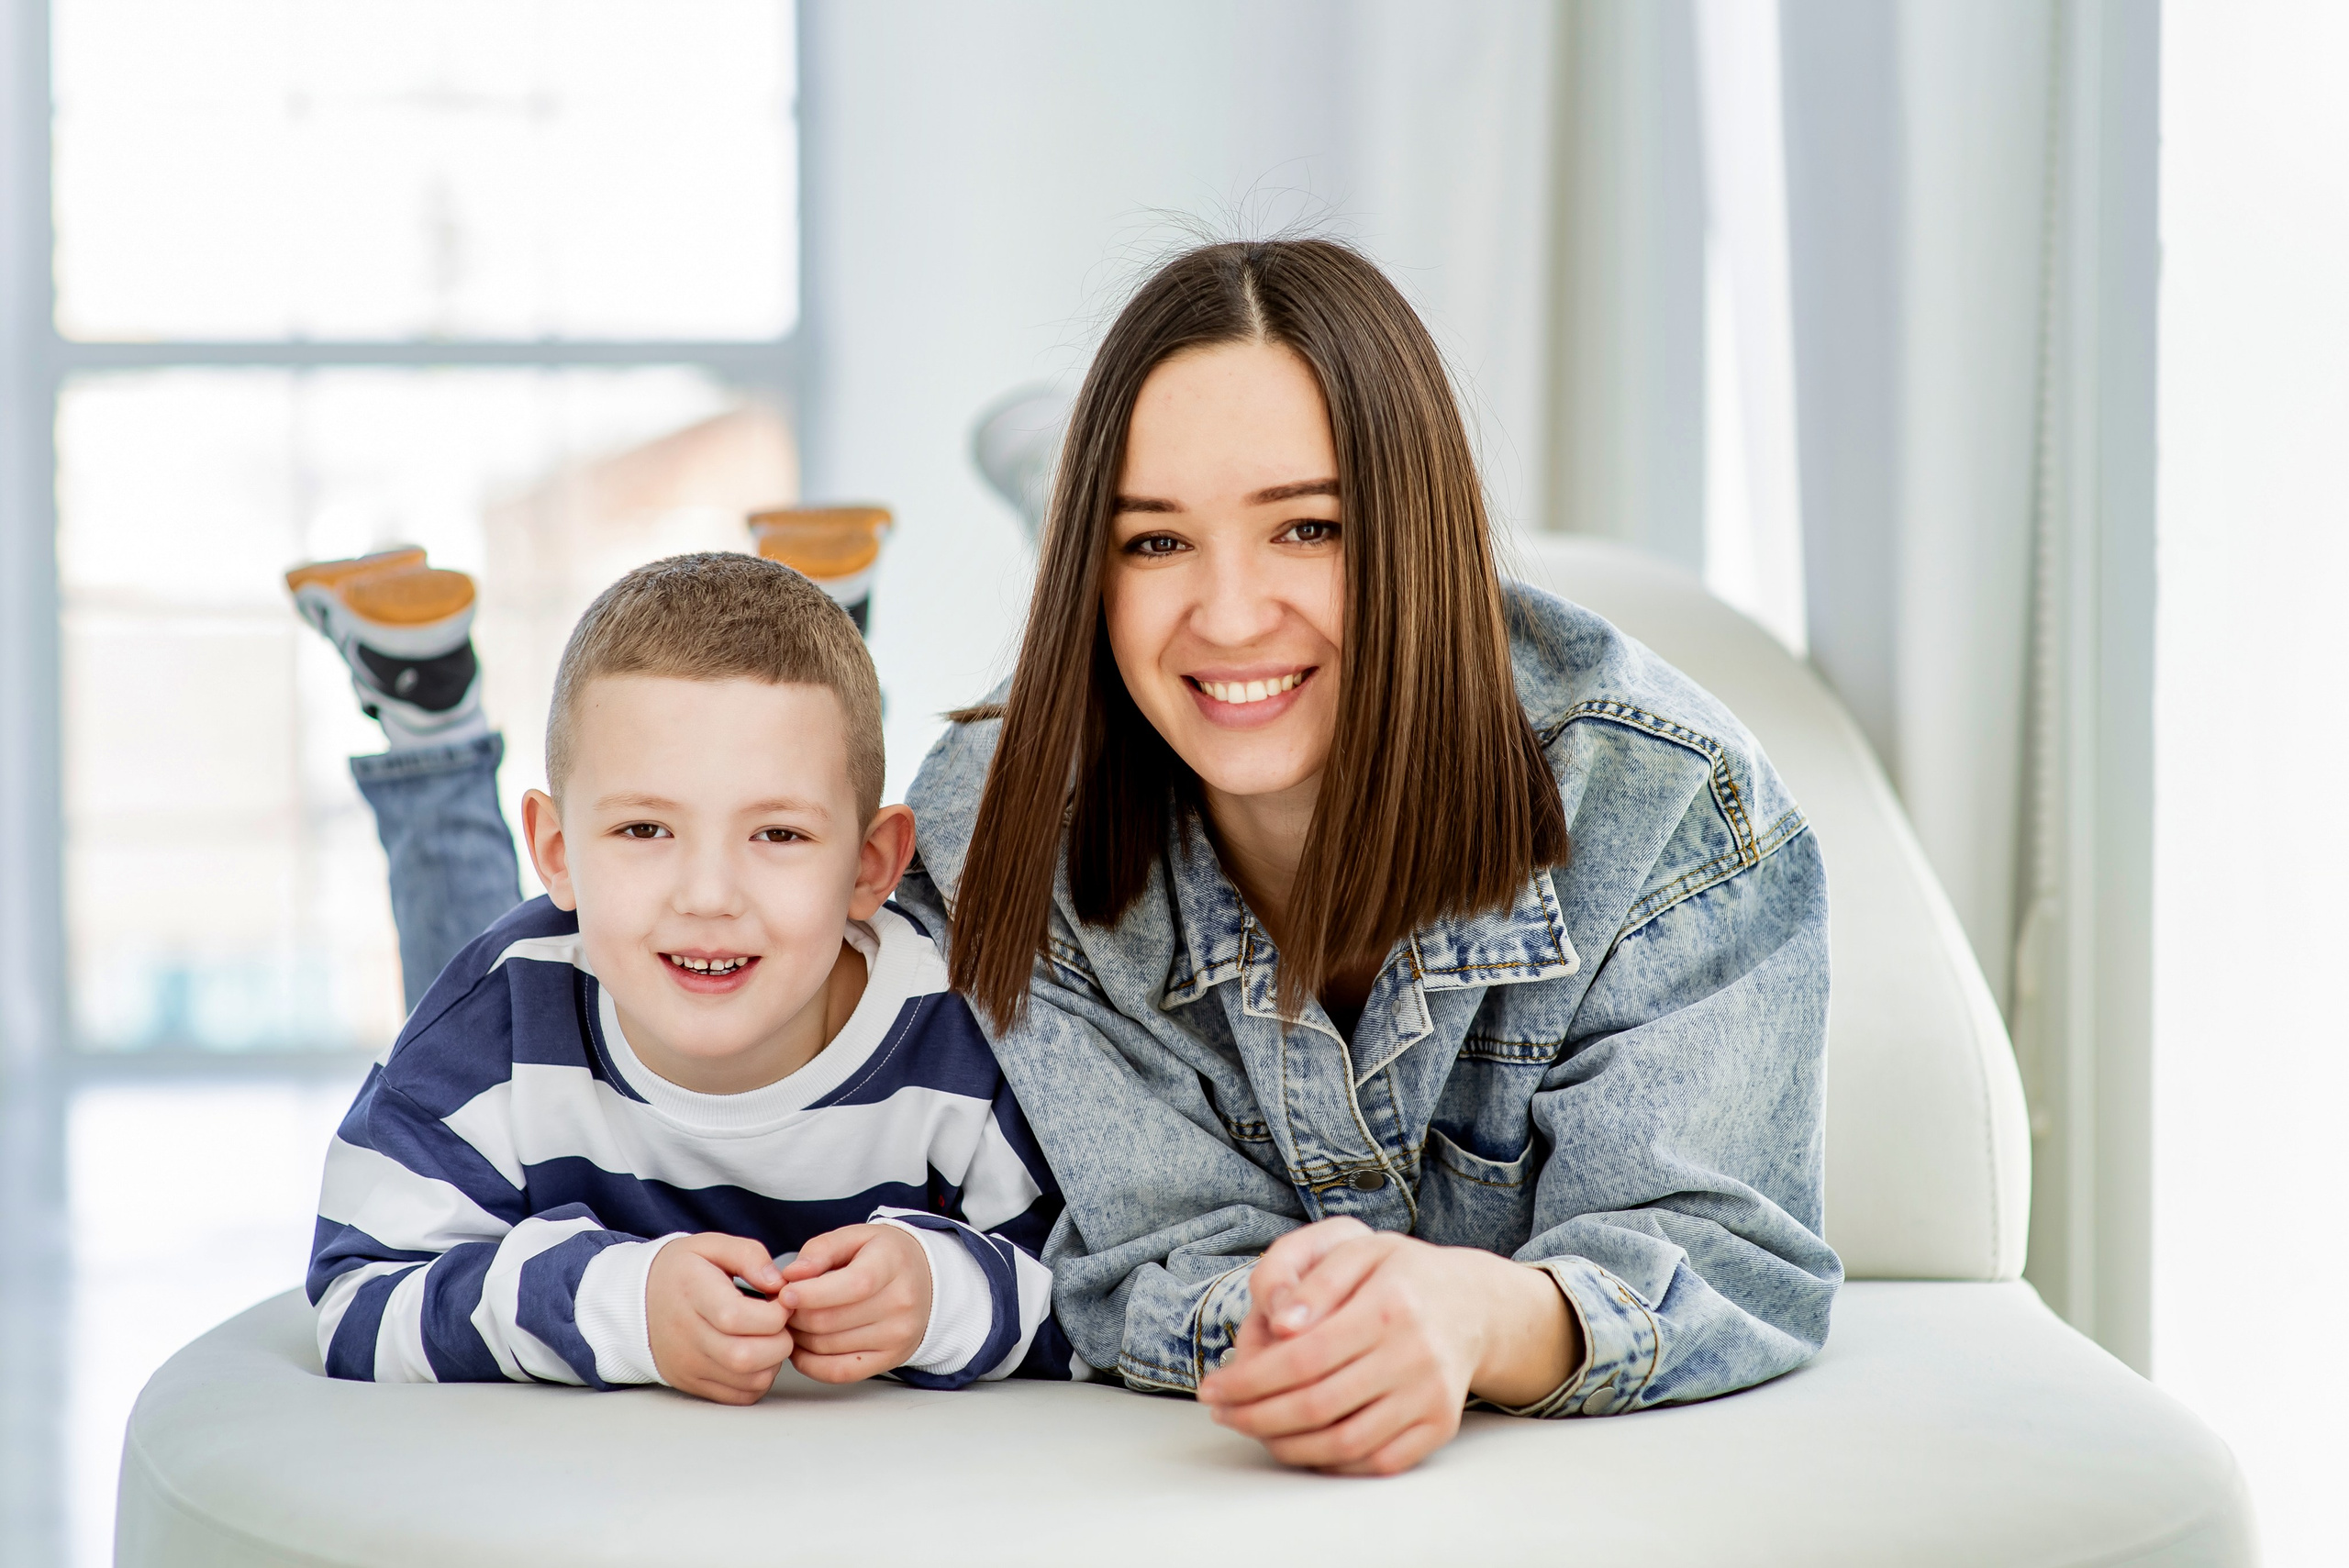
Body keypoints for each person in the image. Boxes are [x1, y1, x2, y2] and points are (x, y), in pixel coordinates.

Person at [303, 236, 1836, 1476]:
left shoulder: (1669, 808)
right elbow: (1139, 1254)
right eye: (1149, 537)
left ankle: (1069, 475)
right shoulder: (995, 828)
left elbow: (1730, 1256)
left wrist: (1476, 1313)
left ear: (1421, 531)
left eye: (1308, 527)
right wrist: (1290, 1309)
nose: (1230, 610)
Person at [301, 552, 1075, 1401]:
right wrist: (617, 1305)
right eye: (643, 829)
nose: (709, 897)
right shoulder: (498, 1021)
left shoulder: (964, 1033)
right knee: (461, 932)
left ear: (872, 866)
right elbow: (359, 1296)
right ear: (557, 854)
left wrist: (941, 1293)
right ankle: (431, 722)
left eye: (778, 834)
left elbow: (1086, 1284)